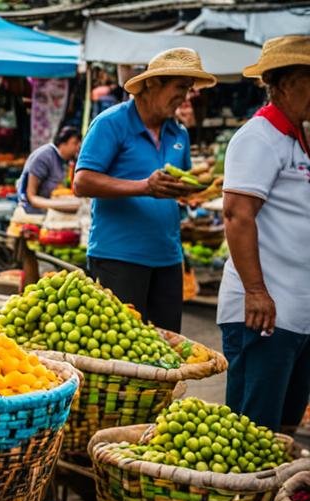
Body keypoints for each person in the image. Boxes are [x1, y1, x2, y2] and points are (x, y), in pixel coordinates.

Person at [73, 48, 216, 332]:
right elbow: (82, 182)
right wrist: (144, 187)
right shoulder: (111, 123)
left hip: (168, 256)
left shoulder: (179, 133)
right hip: (119, 257)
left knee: (167, 350)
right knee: (122, 349)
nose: (184, 97)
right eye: (179, 87)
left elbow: (179, 187)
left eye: (187, 89)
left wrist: (197, 189)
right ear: (152, 83)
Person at [218, 36, 310, 432]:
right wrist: (255, 290)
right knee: (252, 432)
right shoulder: (259, 137)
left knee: (283, 430)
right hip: (264, 312)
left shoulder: (297, 140)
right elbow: (237, 215)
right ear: (286, 82)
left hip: (297, 316)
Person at [16, 126, 81, 215]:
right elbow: (31, 197)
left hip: (48, 205)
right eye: (75, 143)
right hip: (32, 211)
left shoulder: (65, 160)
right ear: (63, 143)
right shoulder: (44, 156)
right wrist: (64, 205)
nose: (78, 148)